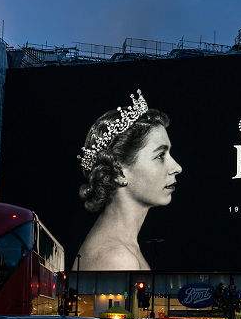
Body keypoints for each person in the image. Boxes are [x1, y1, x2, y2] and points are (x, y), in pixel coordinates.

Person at [76, 89, 182, 271]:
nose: (177, 168)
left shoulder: (123, 246)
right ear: (119, 173)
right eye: (160, 156)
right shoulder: (117, 258)